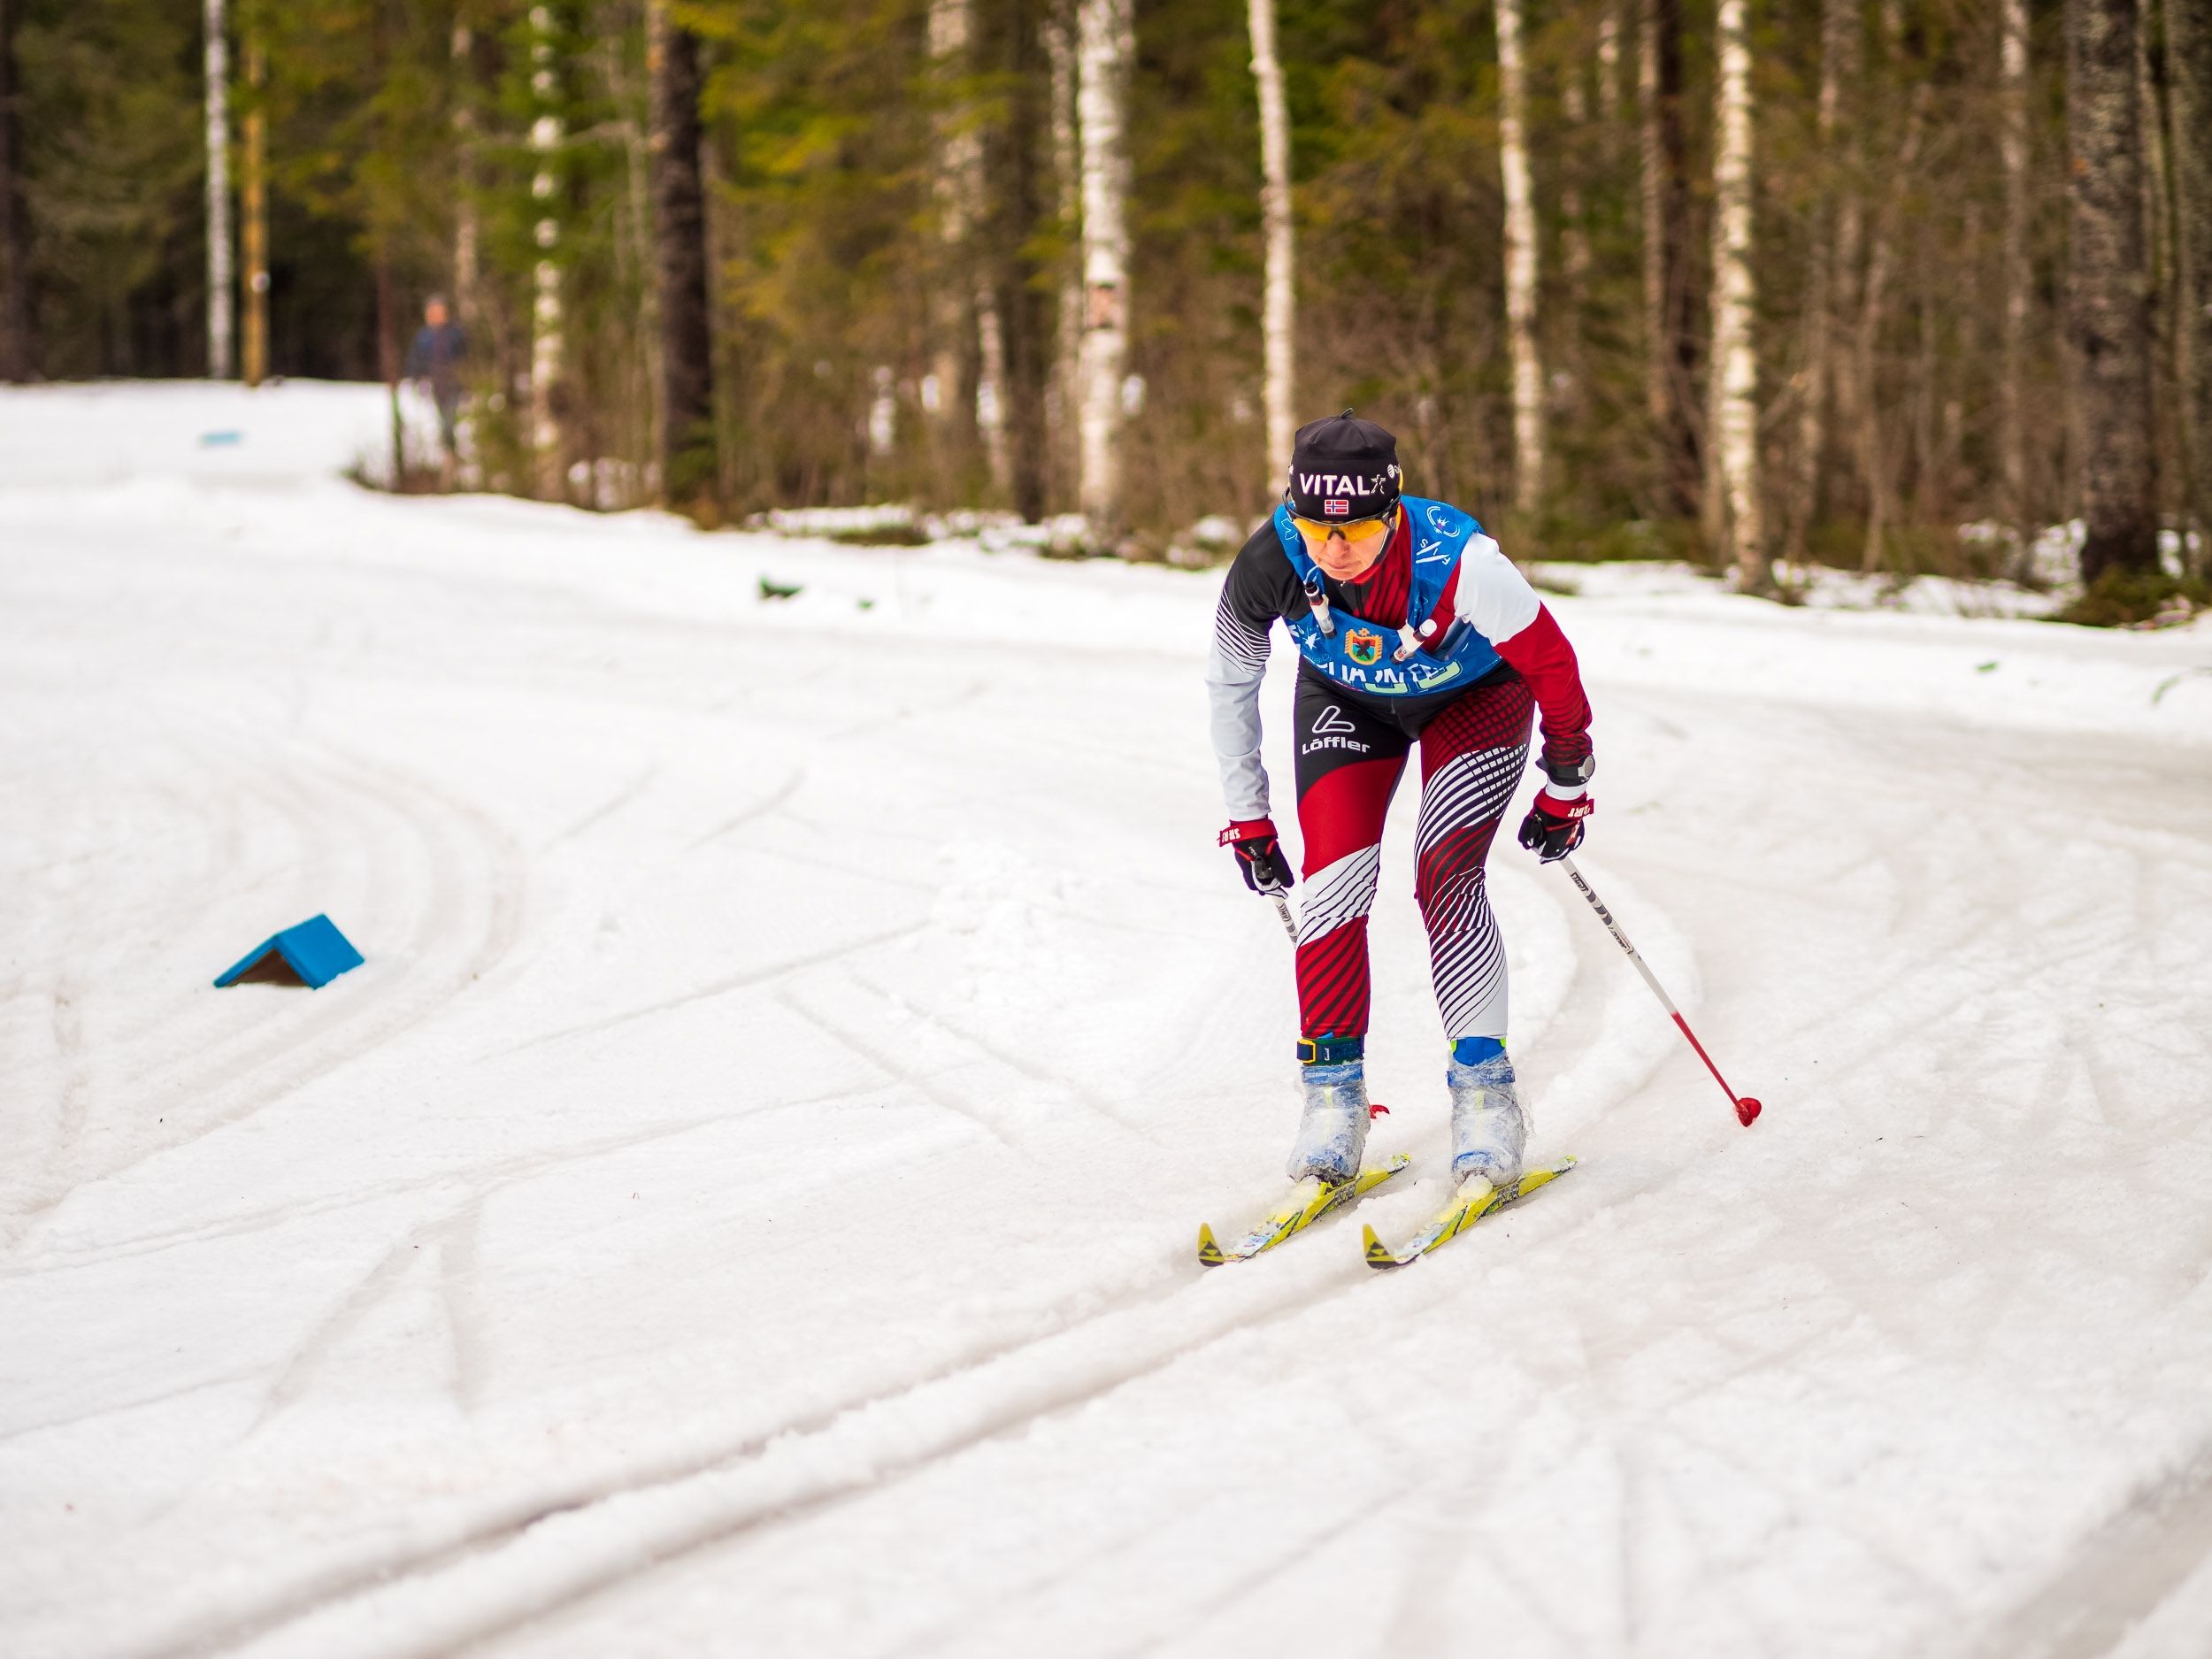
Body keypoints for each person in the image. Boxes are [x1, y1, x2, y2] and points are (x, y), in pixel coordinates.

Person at [1207, 411, 1595, 1194]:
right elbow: (1231, 682)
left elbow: (1552, 666)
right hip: (1347, 701)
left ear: (1392, 510)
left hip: (1473, 697)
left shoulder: (1464, 563)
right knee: (1332, 885)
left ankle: (1486, 1098)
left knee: (1445, 874)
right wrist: (1248, 814)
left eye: (1355, 528)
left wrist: (1566, 784)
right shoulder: (1269, 559)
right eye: (1315, 527)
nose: (1333, 548)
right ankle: (1333, 1100)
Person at [403, 296, 469, 464]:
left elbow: (465, 359)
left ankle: (451, 455)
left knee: (449, 421)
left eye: (439, 312)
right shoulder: (423, 336)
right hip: (434, 385)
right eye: (433, 312)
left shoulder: (455, 334)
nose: (436, 316)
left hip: (453, 384)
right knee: (440, 421)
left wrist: (466, 382)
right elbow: (415, 360)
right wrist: (416, 379)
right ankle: (447, 456)